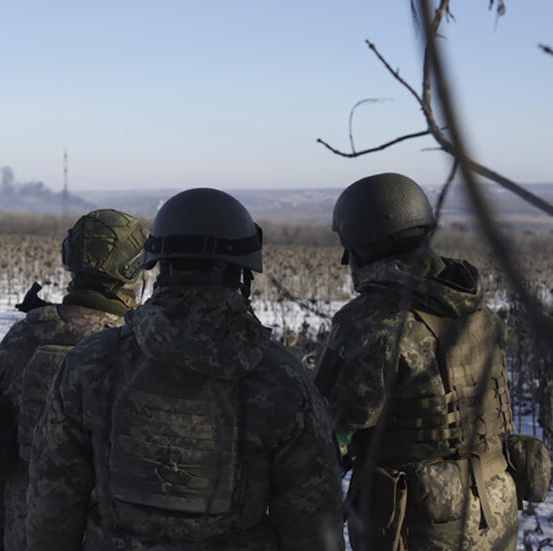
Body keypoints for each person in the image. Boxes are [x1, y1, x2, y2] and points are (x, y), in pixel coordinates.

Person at [27, 188, 344, 550]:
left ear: (157, 263)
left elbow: (53, 505)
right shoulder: (283, 381)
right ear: (243, 273)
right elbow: (314, 526)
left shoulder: (91, 363)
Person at [313, 172, 527, 550]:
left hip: (418, 522)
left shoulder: (371, 321)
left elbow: (332, 424)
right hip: (497, 506)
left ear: (361, 243)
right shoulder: (479, 311)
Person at [0, 208, 147, 551]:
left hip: (24, 533)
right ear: (133, 270)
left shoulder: (23, 338)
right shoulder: (139, 350)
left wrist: (6, 522)